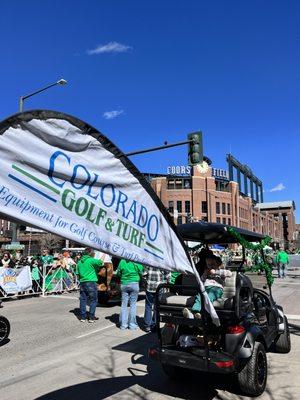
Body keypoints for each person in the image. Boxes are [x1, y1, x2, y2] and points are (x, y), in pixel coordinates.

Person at [76, 248, 103, 323]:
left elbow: (77, 274)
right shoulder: (91, 260)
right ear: (90, 253)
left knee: (83, 299)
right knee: (93, 300)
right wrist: (104, 255)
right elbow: (101, 263)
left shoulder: (79, 262)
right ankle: (91, 317)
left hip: (82, 282)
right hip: (91, 281)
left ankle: (83, 317)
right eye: (93, 252)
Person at [116, 259, 143, 330]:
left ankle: (123, 325)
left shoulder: (122, 261)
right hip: (134, 283)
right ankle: (132, 325)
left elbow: (118, 273)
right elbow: (141, 272)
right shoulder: (137, 261)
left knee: (124, 304)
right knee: (133, 304)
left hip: (124, 283)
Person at [143, 266, 171, 332]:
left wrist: (146, 280)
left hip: (149, 286)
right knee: (156, 307)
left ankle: (147, 325)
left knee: (148, 306)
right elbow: (168, 275)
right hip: (159, 287)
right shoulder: (161, 262)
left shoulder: (148, 262)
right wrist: (166, 282)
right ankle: (154, 325)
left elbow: (143, 274)